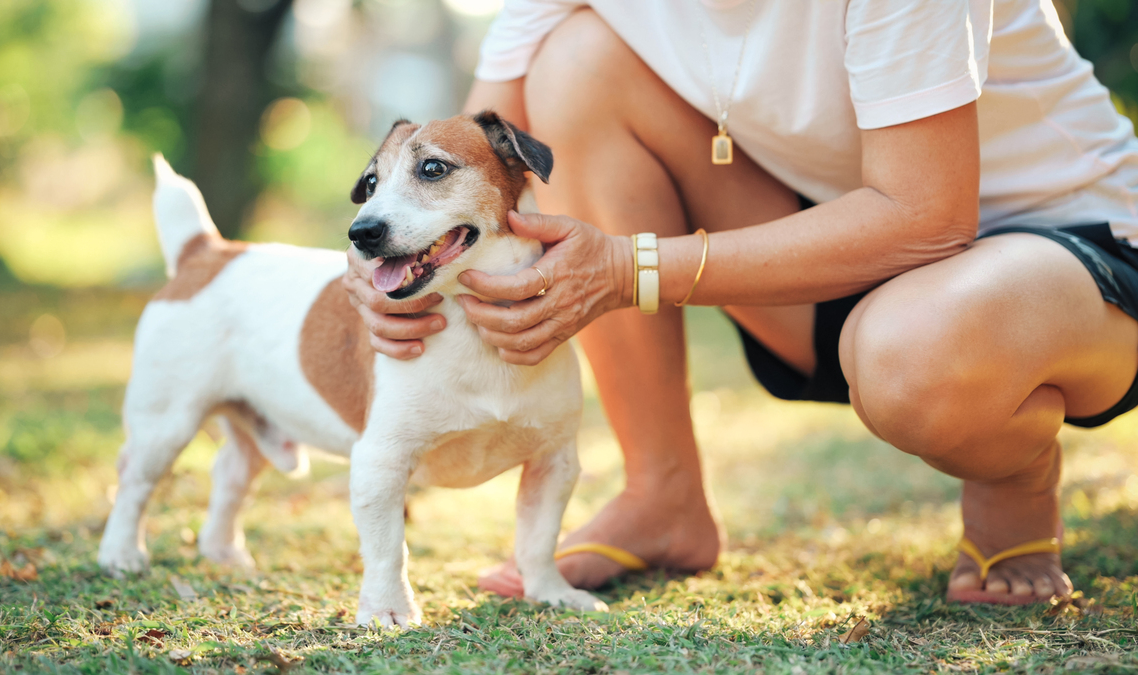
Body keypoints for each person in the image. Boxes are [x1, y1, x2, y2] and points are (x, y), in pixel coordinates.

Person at [344, 0, 1138, 604]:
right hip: (842, 260)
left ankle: (1015, 470)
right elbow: (473, 147)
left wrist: (631, 268)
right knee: (575, 60)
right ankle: (662, 492)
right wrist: (390, 258)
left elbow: (926, 216)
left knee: (911, 355)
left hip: (1071, 252)